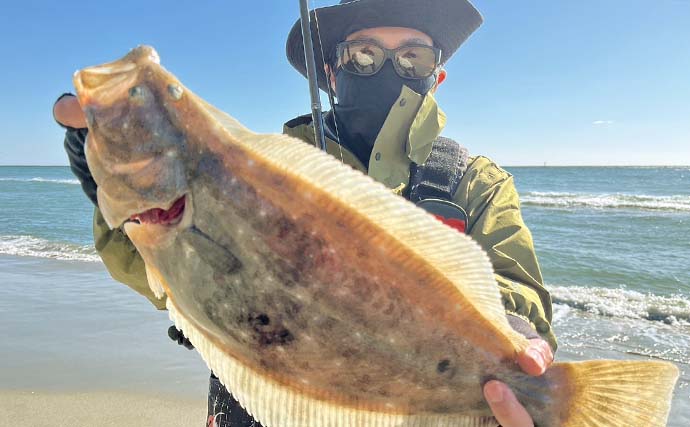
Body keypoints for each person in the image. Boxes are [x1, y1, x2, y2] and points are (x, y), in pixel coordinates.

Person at [53, 1, 556, 426]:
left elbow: (520, 290)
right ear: (333, 71)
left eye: (411, 56)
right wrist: (96, 162)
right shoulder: (263, 167)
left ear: (435, 76)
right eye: (363, 54)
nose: (385, 69)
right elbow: (158, 271)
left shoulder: (476, 183)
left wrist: (513, 340)